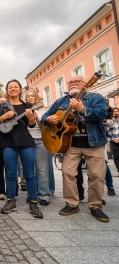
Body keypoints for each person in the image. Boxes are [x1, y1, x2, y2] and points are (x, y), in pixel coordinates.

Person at [41, 76, 108, 222]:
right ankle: (72, 204)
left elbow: (102, 114)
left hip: (93, 143)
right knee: (67, 173)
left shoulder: (95, 97)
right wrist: (48, 119)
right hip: (70, 144)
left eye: (76, 81)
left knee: (96, 175)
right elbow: (44, 117)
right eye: (70, 82)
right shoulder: (61, 101)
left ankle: (95, 206)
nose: (72, 84)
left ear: (85, 84)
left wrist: (82, 109)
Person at [0, 80, 43, 218]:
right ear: (7, 90)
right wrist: (3, 117)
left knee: (30, 175)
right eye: (10, 87)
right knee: (10, 174)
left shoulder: (28, 105)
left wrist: (31, 118)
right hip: (8, 143)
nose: (13, 89)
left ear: (20, 90)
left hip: (26, 143)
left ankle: (33, 203)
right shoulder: (3, 105)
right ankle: (11, 201)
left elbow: (31, 125)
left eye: (16, 87)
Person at [25, 89, 53, 206]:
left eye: (32, 96)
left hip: (41, 141)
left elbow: (47, 130)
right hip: (28, 142)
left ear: (36, 97)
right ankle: (31, 193)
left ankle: (44, 195)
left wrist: (37, 119)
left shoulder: (44, 111)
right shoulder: (24, 111)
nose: (30, 98)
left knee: (42, 169)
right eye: (28, 96)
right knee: (30, 170)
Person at [109, 107, 119, 177]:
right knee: (116, 156)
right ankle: (118, 169)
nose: (115, 112)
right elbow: (108, 131)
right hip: (113, 141)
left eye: (116, 111)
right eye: (114, 111)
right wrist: (113, 139)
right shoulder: (110, 121)